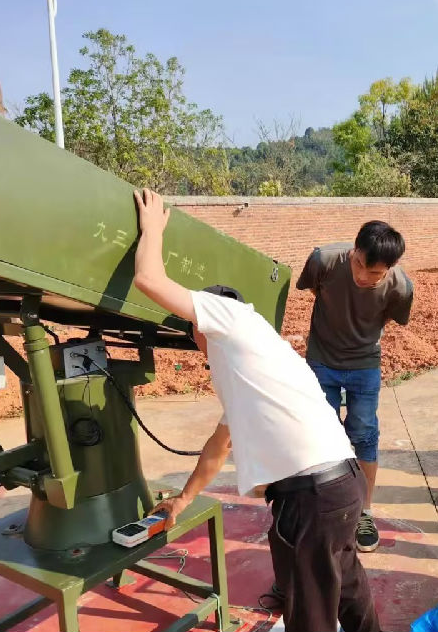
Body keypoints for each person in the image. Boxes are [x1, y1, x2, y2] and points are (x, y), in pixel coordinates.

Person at [131, 189, 380, 632]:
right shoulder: (252, 362)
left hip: (312, 500)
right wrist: (183, 500)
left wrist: (151, 227)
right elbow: (219, 443)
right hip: (341, 490)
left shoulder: (231, 317)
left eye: (194, 331)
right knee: (348, 595)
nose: (195, 343)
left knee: (310, 618)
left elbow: (149, 281)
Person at [296, 222, 414, 552]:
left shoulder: (401, 287)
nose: (363, 276)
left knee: (363, 434)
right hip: (322, 361)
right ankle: (327, 508)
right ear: (354, 250)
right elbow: (313, 289)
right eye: (359, 263)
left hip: (365, 366)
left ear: (390, 269)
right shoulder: (324, 260)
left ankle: (363, 510)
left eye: (374, 273)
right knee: (322, 436)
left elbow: (393, 317)